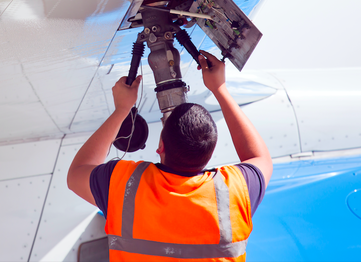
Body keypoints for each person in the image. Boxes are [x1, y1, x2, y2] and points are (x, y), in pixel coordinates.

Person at [67, 50, 273, 261]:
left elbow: (77, 173)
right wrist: (221, 90)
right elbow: (259, 158)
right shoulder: (234, 192)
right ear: (209, 154)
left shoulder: (124, 184)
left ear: (160, 147)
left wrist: (122, 109)